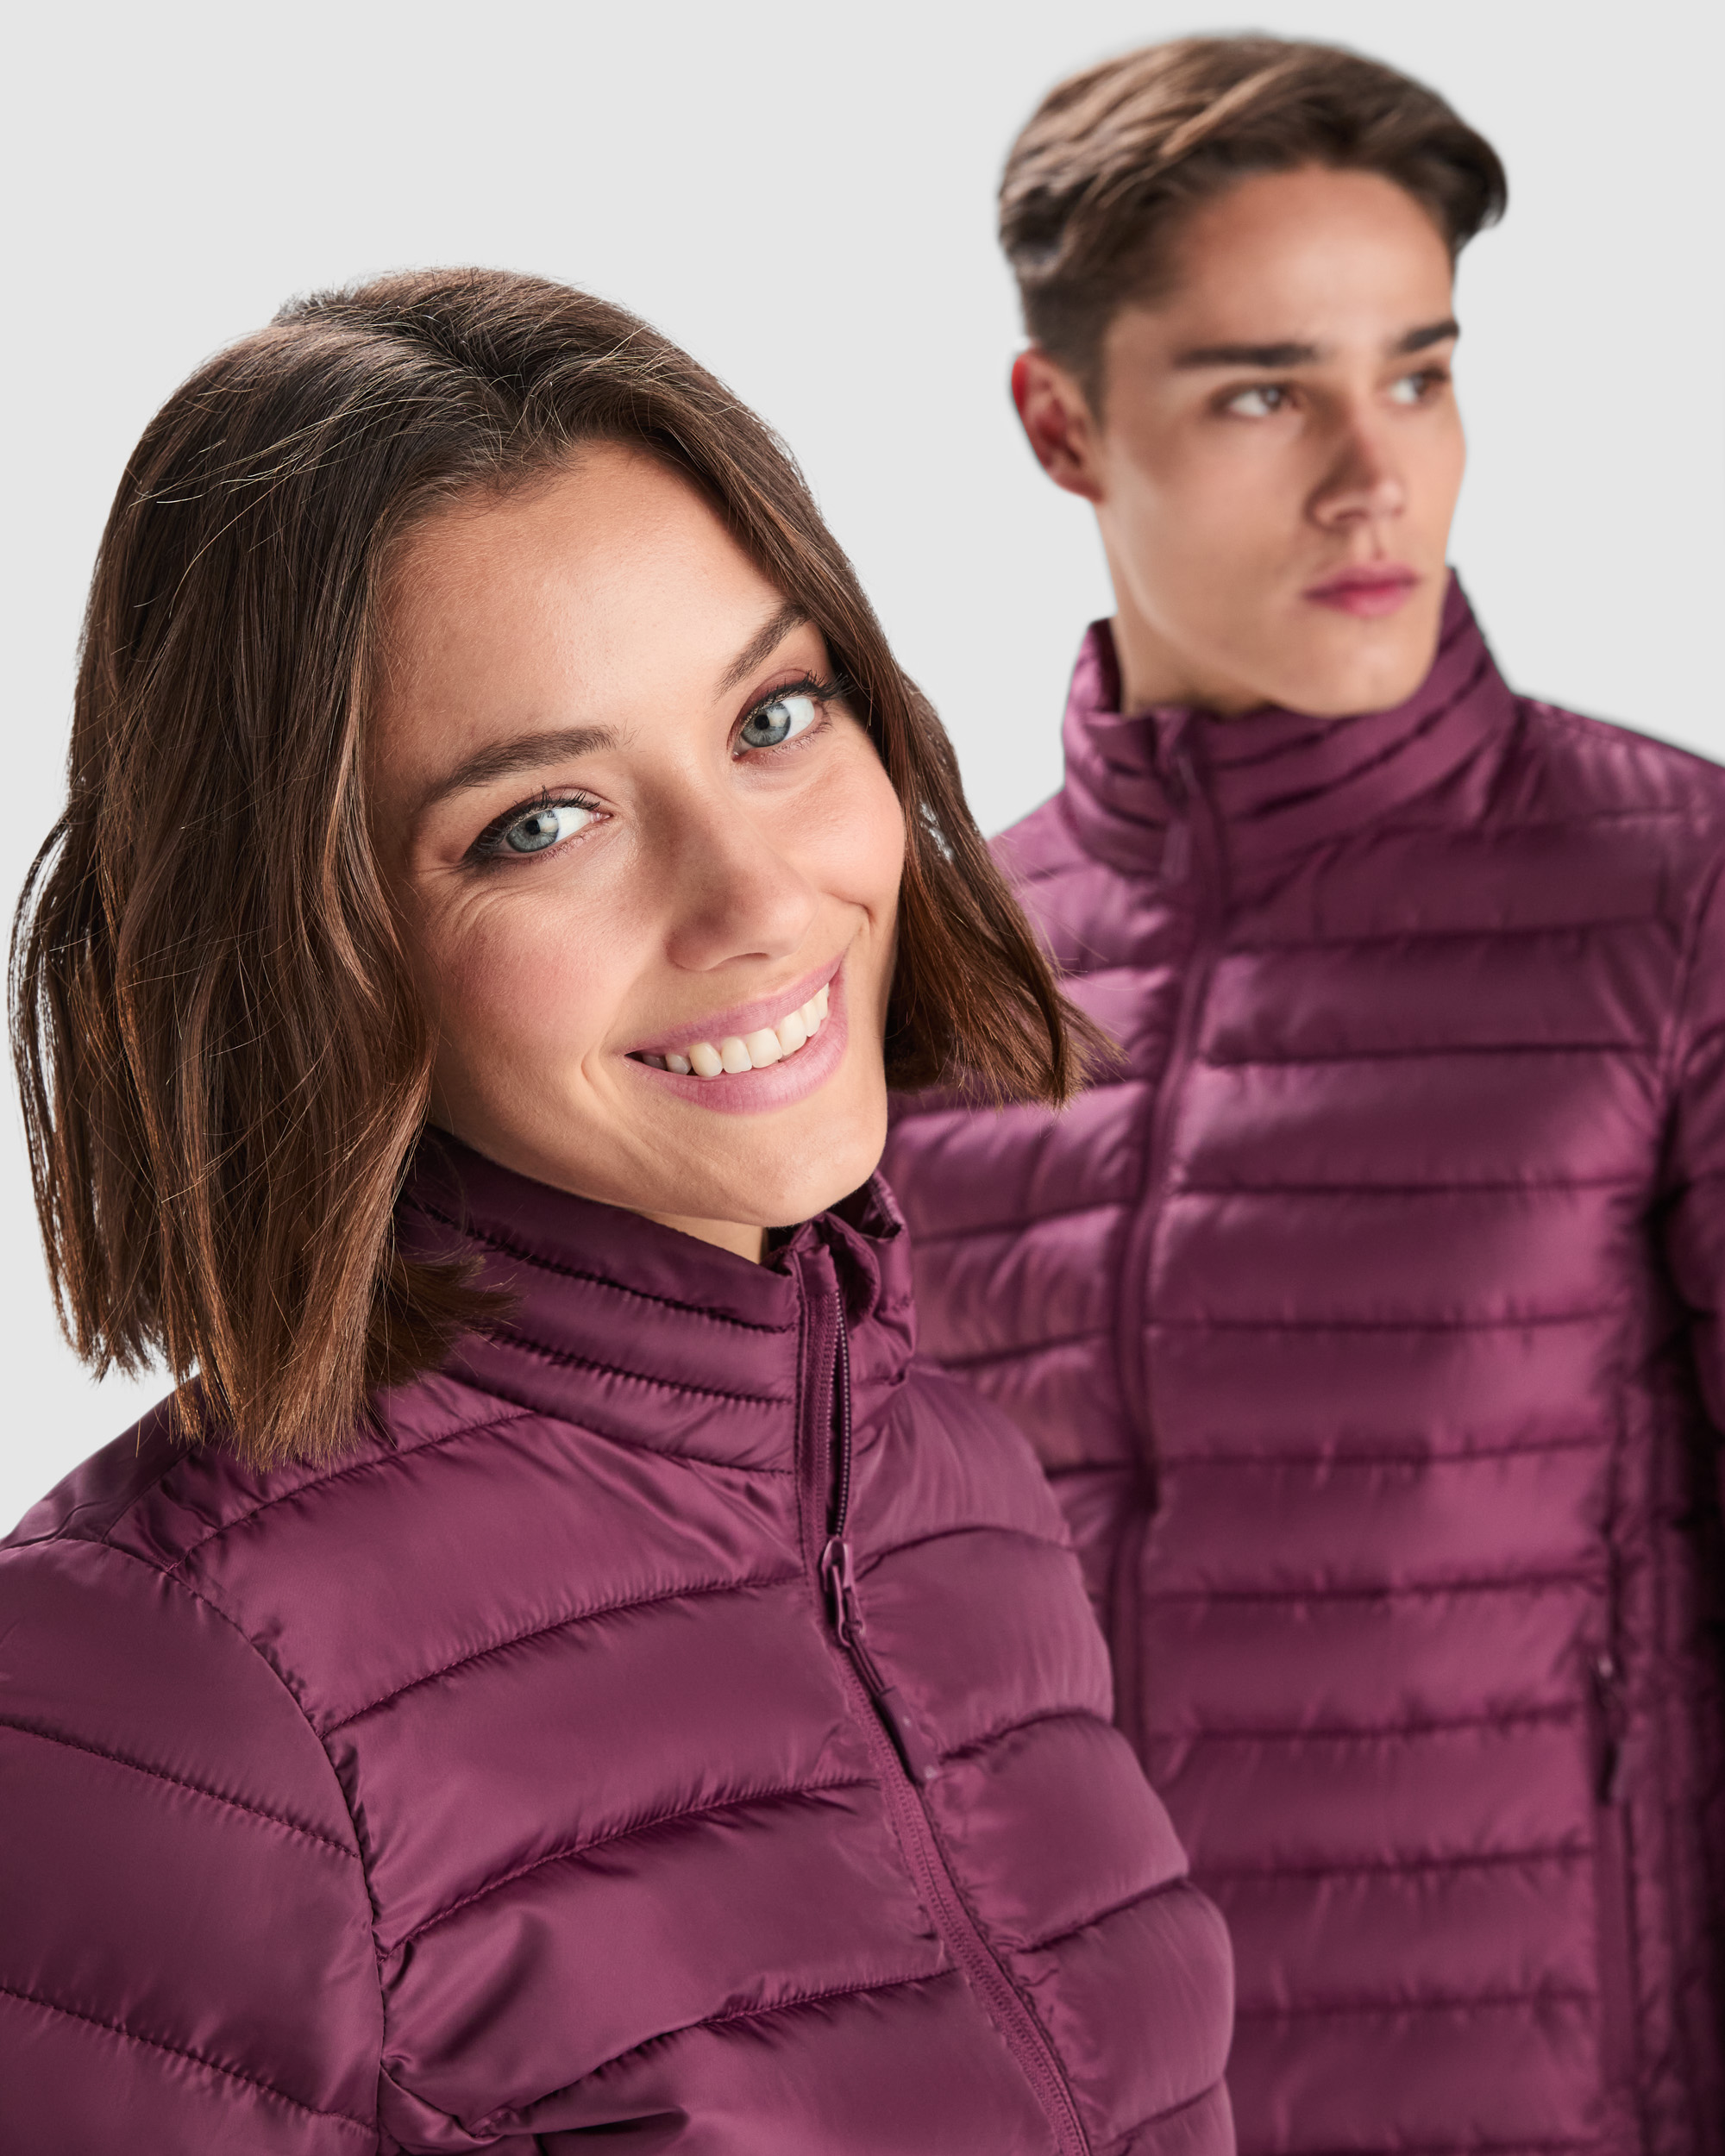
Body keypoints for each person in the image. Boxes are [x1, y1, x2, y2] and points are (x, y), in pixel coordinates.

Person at [0, 270, 1234, 2153]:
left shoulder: (964, 1497)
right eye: (542, 820)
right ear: (305, 941)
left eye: (773, 714)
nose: (758, 898)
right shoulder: (159, 1692)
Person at [884, 35, 1725, 2155]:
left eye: (1417, 375)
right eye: (1266, 393)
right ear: (1060, 423)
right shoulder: (936, 977)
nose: (1376, 479)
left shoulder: (1677, 894)